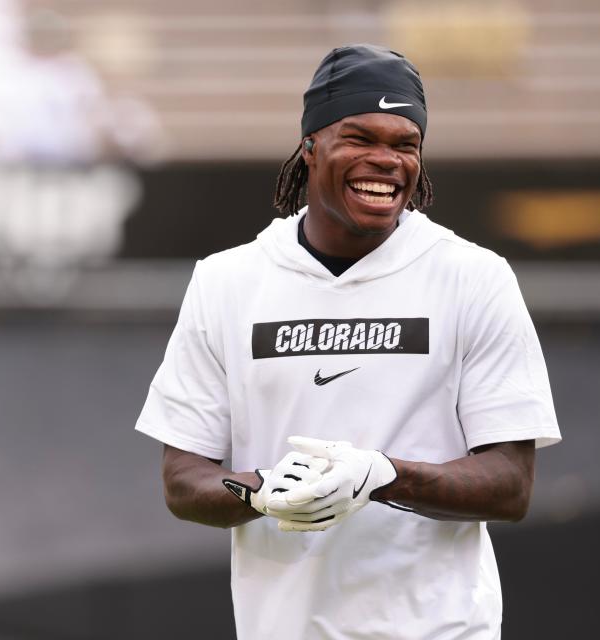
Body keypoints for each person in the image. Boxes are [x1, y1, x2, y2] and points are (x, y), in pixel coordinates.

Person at [135, 44, 561, 639]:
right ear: (309, 146)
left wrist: (381, 475)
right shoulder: (227, 280)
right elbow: (183, 479)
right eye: (360, 138)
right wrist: (265, 491)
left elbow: (511, 485)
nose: (386, 160)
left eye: (404, 144)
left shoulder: (473, 276)